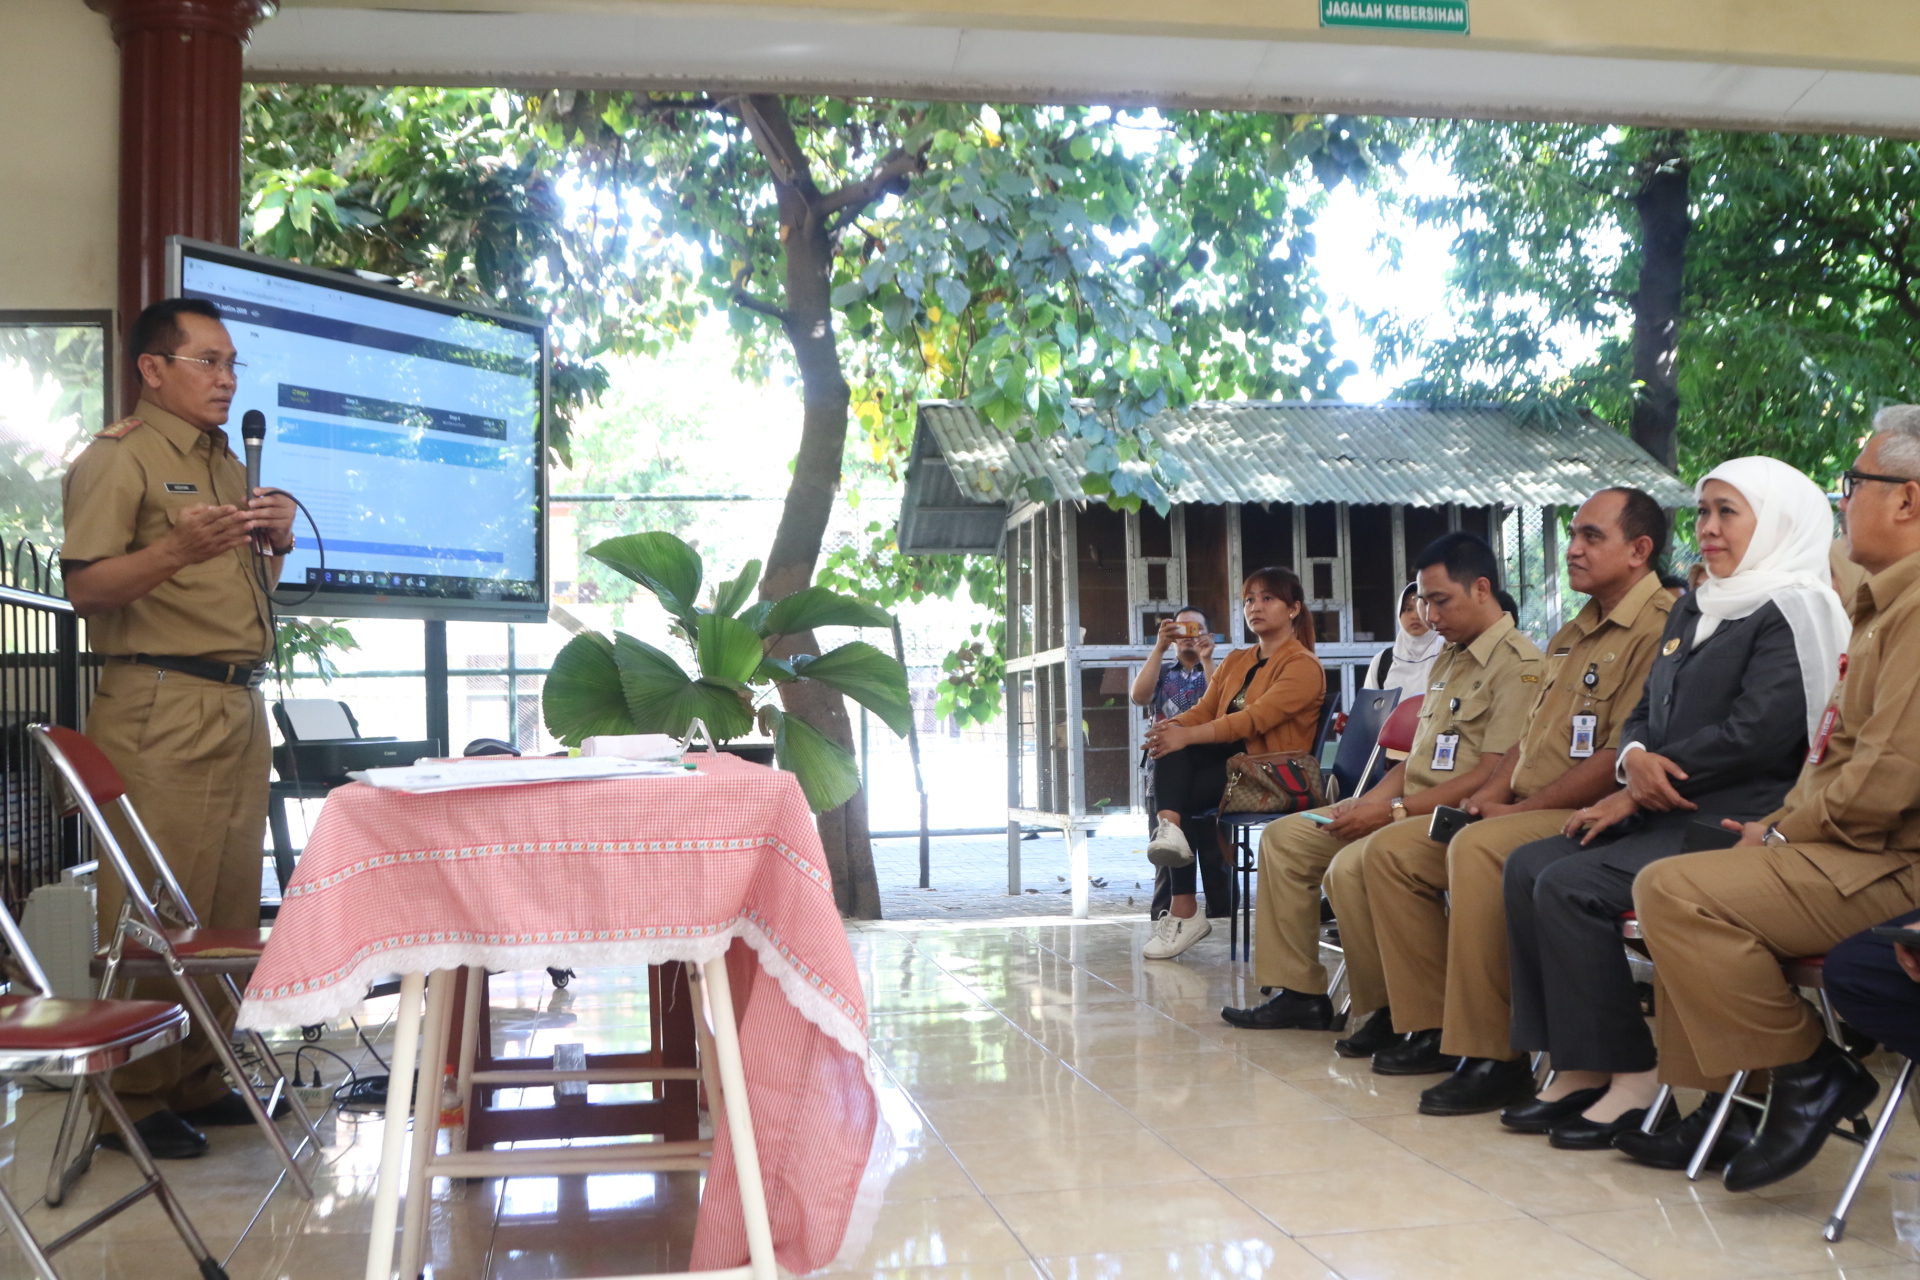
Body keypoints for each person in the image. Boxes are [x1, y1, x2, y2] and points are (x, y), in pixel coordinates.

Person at [1501, 456, 1849, 1153]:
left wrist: (1641, 786)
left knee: (1571, 884)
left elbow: (1761, 732)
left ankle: (1635, 1074)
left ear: (1777, 521)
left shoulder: (1796, 608)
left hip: (1733, 819)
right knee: (1528, 865)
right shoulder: (1697, 601)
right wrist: (1633, 760)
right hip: (1659, 805)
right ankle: (1583, 1063)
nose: (1709, 529)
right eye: (1704, 512)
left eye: (1728, 512)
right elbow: (1643, 711)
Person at [1630, 412, 1920, 1188]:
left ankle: (1807, 1069)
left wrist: (1785, 833)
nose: (1843, 501)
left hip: (1890, 860)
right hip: (1843, 840)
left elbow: (1886, 778)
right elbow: (1842, 756)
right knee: (1682, 878)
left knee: (1675, 891)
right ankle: (1730, 1102)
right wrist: (1781, 827)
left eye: (1854, 486)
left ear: (1908, 502)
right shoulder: (1886, 604)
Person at [60, 298, 297, 1160]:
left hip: (234, 698)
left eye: (231, 362)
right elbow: (87, 589)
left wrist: (275, 543)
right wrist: (172, 553)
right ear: (152, 369)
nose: (226, 378)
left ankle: (201, 1072)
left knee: (228, 896)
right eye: (206, 361)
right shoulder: (118, 458)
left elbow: (238, 588)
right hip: (160, 699)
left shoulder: (226, 463)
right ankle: (135, 1089)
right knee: (158, 903)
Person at [1351, 489, 1673, 1109]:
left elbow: (1616, 758)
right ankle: (1432, 1027)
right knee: (1394, 854)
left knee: (1478, 851)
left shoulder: (1657, 627)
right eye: (1573, 534)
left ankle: (1494, 1054)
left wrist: (1513, 813)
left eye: (1590, 537)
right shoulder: (1572, 634)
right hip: (1524, 804)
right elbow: (1522, 748)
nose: (1573, 548)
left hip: (1591, 810)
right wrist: (1486, 800)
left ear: (1640, 550)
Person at [1220, 534, 1542, 1030]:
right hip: (1405, 801)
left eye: (1440, 602)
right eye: (1422, 603)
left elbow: (1490, 775)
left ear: (1481, 589)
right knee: (1286, 838)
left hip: (1450, 816)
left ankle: (1394, 1010)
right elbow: (1412, 761)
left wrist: (1391, 813)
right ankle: (1300, 992)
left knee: (1356, 863)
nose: (1429, 617)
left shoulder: (1520, 665)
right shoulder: (1450, 658)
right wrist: (1362, 804)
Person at [1140, 569, 1323, 960]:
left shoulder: (1303, 665)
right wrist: (1168, 729)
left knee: (1180, 761)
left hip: (1274, 775)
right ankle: (1171, 833)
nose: (1255, 606)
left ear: (1293, 609)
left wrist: (1183, 735)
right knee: (1170, 747)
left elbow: (1252, 720)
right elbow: (1205, 710)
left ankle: (1183, 904)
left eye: (1267, 599)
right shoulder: (1238, 659)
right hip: (1236, 766)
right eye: (1249, 599)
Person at [1132, 608, 1219, 923]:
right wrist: (1159, 647)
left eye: (1195, 628)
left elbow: (1222, 704)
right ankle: (1165, 919)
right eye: (1180, 629)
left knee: (1216, 854)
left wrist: (1207, 659)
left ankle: (1221, 919)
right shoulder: (1163, 672)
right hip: (1164, 775)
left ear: (1207, 634)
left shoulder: (1217, 670)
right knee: (1168, 856)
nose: (1188, 636)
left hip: (1209, 774)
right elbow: (1139, 696)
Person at [1361, 583, 1442, 702]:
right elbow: (1369, 714)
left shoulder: (1450, 656)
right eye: (1408, 609)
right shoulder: (1383, 662)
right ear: (1399, 614)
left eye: (1422, 608)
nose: (1415, 616)